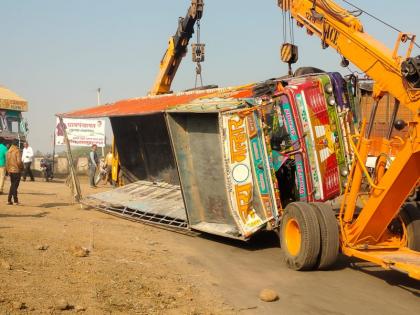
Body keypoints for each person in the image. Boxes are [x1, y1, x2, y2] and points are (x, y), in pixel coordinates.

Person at [6, 140, 23, 205]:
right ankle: (15, 201)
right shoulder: (17, 151)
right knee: (15, 186)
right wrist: (21, 167)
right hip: (16, 170)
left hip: (10, 170)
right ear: (17, 144)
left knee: (13, 185)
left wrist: (8, 170)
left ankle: (9, 200)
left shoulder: (8, 151)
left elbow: (6, 162)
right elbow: (19, 162)